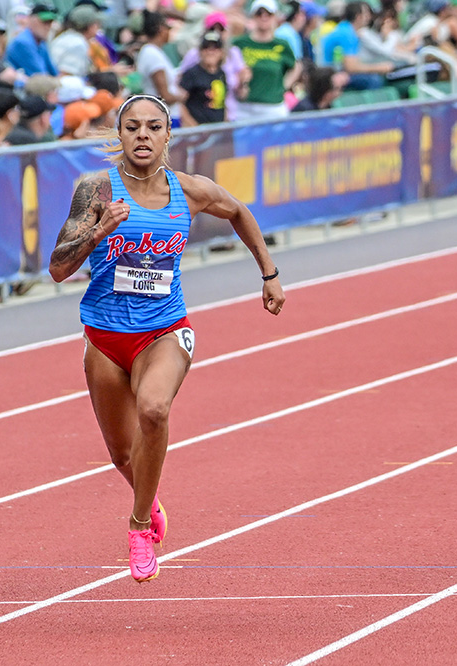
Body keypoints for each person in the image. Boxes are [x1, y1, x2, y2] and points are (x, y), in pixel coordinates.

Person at [47, 94, 285, 582]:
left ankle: (137, 528)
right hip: (105, 337)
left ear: (168, 136)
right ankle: (149, 501)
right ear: (120, 135)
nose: (142, 135)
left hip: (165, 330)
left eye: (153, 127)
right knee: (121, 453)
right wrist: (98, 233)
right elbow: (57, 267)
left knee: (153, 410)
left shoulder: (190, 190)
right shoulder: (96, 189)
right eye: (132, 127)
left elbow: (239, 211)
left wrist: (270, 272)